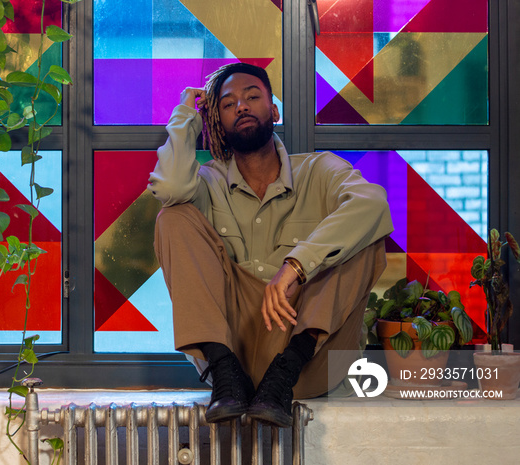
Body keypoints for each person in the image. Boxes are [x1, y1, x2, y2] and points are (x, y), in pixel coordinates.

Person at [148, 63, 393, 427]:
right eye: (228, 104)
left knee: (364, 235)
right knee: (172, 217)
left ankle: (284, 372)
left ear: (273, 110)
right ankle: (223, 367)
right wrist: (187, 114)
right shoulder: (208, 184)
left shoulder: (318, 170)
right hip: (233, 362)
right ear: (218, 119)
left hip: (308, 360)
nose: (242, 107)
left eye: (252, 97)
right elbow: (169, 189)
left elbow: (373, 203)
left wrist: (296, 265)